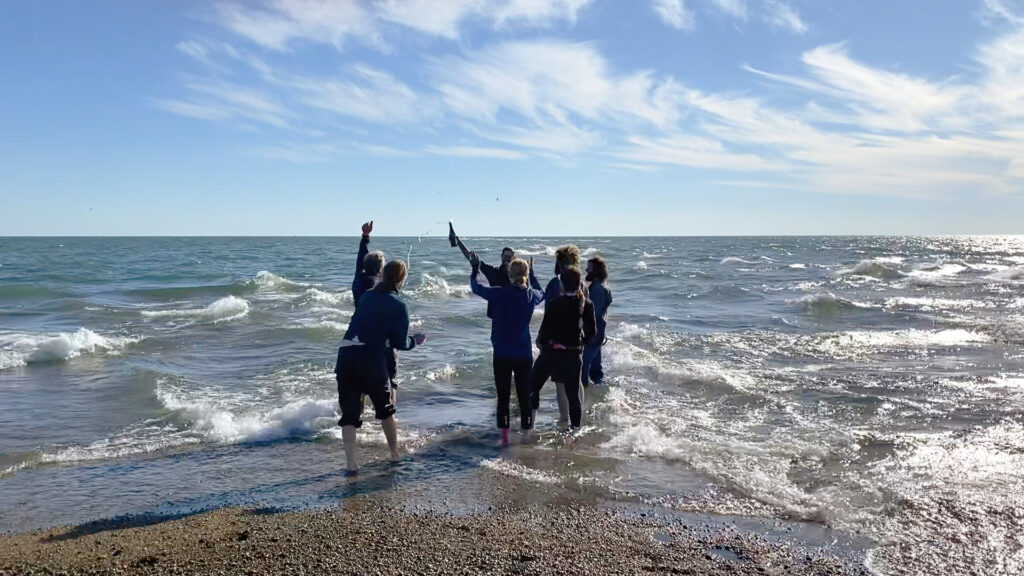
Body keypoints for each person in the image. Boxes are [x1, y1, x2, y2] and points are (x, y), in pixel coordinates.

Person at [335, 260, 425, 473]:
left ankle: (351, 463)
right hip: (371, 358)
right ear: (402, 280)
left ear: (382, 275)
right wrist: (416, 341)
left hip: (346, 355)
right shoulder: (399, 305)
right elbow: (399, 343)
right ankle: (394, 454)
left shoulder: (367, 296)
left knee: (349, 414)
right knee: (385, 410)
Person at [468, 252, 544, 444]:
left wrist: (475, 269)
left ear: (510, 275)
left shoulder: (499, 293)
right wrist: (533, 275)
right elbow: (542, 292)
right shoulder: (531, 296)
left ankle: (504, 439)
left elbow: (477, 288)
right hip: (523, 353)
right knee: (524, 395)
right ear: (525, 275)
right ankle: (526, 436)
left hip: (502, 353)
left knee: (503, 396)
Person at [528, 267, 596, 430]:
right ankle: (575, 432)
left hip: (551, 355)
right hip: (573, 355)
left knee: (532, 387)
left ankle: (529, 427)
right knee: (573, 396)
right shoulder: (587, 304)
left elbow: (544, 335)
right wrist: (581, 344)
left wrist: (542, 343)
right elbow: (592, 332)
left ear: (562, 285)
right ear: (579, 284)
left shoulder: (554, 304)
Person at [350, 221, 399, 405]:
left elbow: (360, 260)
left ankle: (357, 418)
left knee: (361, 383)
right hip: (382, 341)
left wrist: (365, 237)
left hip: (360, 337)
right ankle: (391, 414)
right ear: (381, 269)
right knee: (390, 380)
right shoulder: (381, 287)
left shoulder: (358, 280)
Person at [449, 224, 540, 315]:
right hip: (500, 314)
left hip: (516, 314)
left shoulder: (521, 275)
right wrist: (459, 242)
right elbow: (472, 258)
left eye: (510, 257)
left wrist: (530, 273)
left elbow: (476, 288)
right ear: (501, 257)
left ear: (514, 259)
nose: (508, 259)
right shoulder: (494, 272)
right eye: (505, 256)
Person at [543, 245, 585, 422]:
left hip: (558, 341)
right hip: (577, 339)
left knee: (561, 383)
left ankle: (563, 419)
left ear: (560, 263)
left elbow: (549, 310)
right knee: (577, 381)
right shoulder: (580, 283)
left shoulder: (555, 282)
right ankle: (578, 418)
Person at [583, 257, 612, 387]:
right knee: (595, 370)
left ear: (595, 270)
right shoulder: (599, 286)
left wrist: (588, 334)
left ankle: (582, 394)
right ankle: (596, 396)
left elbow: (595, 314)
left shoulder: (598, 289)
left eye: (588, 267)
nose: (586, 270)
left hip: (594, 334)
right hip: (598, 333)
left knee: (583, 367)